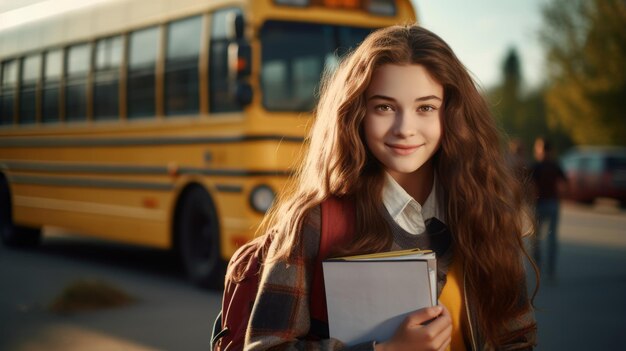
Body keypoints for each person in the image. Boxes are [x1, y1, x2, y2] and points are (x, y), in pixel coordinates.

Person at [244, 25, 537, 350]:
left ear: (451, 114)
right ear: (357, 113)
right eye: (384, 107)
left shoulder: (486, 212)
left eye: (425, 107)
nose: (405, 129)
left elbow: (517, 340)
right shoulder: (313, 222)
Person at [531, 137, 567, 281]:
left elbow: (529, 185)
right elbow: (565, 183)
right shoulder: (555, 165)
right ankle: (551, 271)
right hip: (553, 204)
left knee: (535, 238)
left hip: (539, 204)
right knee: (552, 239)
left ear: (540, 150)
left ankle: (537, 267)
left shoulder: (536, 166)